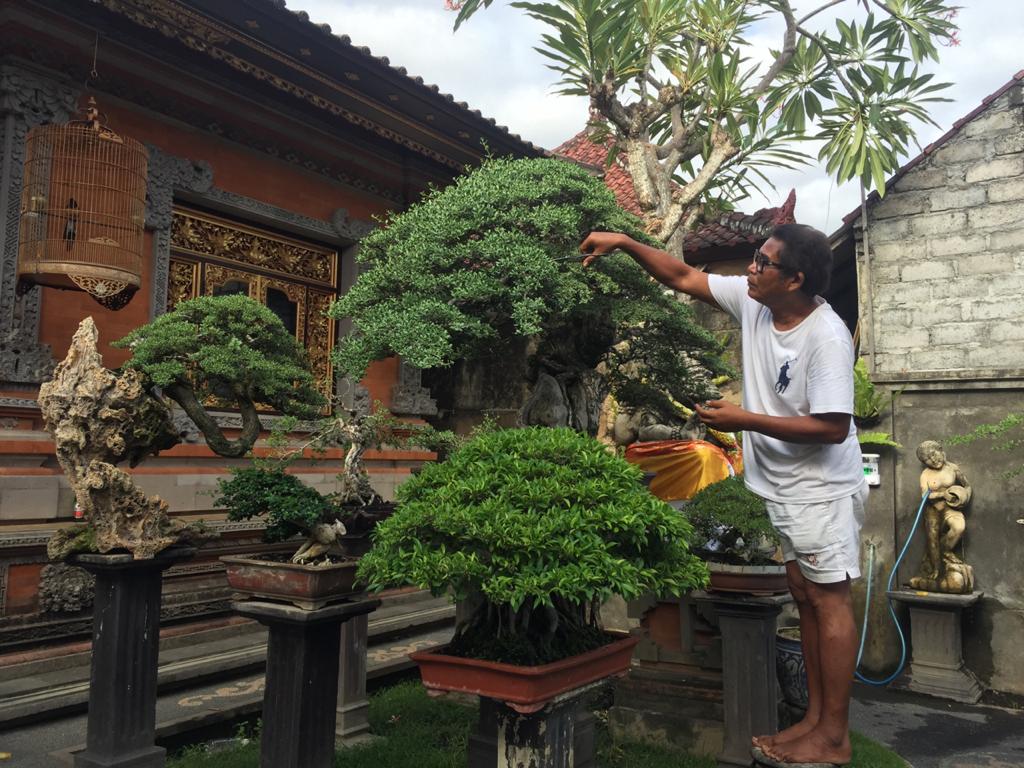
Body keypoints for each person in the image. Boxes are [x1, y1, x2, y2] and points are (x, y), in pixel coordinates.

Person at [580, 225, 866, 767]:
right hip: (781, 487)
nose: (751, 268)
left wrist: (742, 419)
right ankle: (813, 720)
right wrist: (624, 242)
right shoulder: (757, 301)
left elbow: (831, 427)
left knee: (828, 600)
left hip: (820, 490)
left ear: (795, 279)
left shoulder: (825, 337)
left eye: (763, 261)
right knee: (804, 596)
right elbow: (685, 276)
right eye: (755, 259)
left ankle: (833, 736)